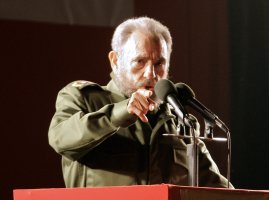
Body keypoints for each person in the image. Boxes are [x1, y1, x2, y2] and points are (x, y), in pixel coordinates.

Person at [48, 17, 233, 188]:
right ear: (115, 61)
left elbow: (216, 187)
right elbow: (60, 139)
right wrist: (119, 114)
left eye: (159, 63)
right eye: (140, 61)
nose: (151, 74)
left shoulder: (178, 121)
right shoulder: (84, 98)